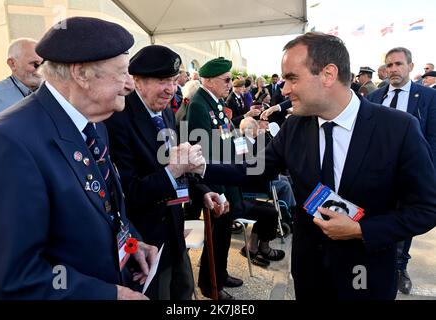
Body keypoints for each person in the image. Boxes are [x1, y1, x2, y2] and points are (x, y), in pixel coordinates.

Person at [204, 32, 436, 299]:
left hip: (366, 275)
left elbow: (426, 209)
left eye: (292, 78)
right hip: (309, 273)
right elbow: (254, 169)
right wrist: (201, 167)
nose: (284, 88)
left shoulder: (398, 128)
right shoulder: (294, 126)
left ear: (328, 74)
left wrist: (361, 230)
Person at [0, 17, 160, 300]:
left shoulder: (93, 123)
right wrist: (108, 295)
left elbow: (103, 209)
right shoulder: (10, 140)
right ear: (81, 74)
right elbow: (15, 275)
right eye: (122, 73)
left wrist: (131, 243)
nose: (130, 84)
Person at [104, 45, 224, 300]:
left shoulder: (164, 112)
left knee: (183, 291)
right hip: (144, 243)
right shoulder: (118, 120)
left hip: (174, 231)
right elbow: (128, 191)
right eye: (161, 81)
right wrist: (175, 169)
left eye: (172, 80)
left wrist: (201, 191)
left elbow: (177, 166)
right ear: (137, 81)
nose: (170, 89)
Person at [366, 47, 436, 295]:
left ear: (410, 66)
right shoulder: (375, 97)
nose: (393, 69)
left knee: (404, 221)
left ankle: (399, 266)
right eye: (389, 65)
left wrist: (428, 175)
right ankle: (376, 265)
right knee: (378, 220)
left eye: (398, 64)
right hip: (377, 175)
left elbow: (433, 138)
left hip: (409, 173)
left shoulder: (427, 97)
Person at [186, 57, 244, 300]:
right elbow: (204, 153)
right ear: (208, 81)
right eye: (227, 80)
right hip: (215, 181)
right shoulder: (199, 104)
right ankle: (210, 284)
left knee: (223, 234)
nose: (230, 84)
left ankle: (220, 272)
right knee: (215, 234)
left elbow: (226, 137)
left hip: (227, 176)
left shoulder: (215, 102)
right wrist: (218, 191)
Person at [0, 38, 43, 125]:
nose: (40, 70)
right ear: (12, 64)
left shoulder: (56, 90)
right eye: (34, 63)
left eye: (44, 64)